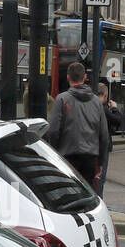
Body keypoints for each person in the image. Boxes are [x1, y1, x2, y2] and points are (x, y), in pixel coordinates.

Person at [46, 61, 108, 189]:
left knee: (68, 193)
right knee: (87, 194)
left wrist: (55, 153)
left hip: (67, 158)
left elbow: (53, 131)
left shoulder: (62, 99)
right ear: (85, 77)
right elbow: (104, 135)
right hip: (90, 159)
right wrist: (100, 162)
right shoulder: (97, 102)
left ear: (68, 77)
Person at [96, 82, 121, 197]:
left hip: (87, 145)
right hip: (101, 148)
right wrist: (115, 108)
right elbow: (117, 121)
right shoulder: (102, 108)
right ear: (105, 95)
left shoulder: (91, 105)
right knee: (100, 180)